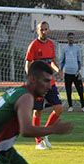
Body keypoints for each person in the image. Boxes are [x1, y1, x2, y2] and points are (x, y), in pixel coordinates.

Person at [25, 21, 64, 150]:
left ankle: (45, 133)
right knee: (38, 111)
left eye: (46, 29)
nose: (44, 31)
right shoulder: (33, 45)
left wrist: (58, 70)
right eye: (42, 29)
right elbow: (28, 64)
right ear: (37, 30)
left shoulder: (51, 44)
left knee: (58, 108)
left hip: (50, 82)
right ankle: (38, 142)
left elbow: (52, 62)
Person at [61, 32, 84, 113]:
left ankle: (83, 106)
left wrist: (78, 71)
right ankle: (70, 106)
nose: (71, 39)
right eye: (70, 38)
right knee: (68, 91)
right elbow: (62, 61)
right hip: (67, 73)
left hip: (75, 73)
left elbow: (79, 61)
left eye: (72, 38)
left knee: (80, 90)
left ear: (74, 39)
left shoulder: (77, 48)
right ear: (67, 39)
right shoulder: (64, 48)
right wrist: (60, 71)